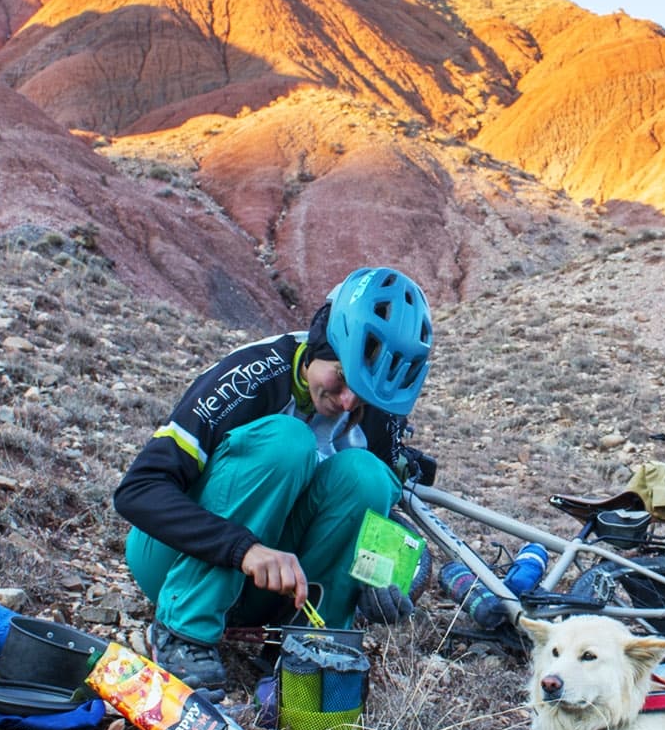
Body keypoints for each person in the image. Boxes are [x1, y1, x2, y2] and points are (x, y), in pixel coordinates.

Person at [113, 267, 435, 695]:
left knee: (367, 475)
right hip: (172, 562)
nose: (346, 402)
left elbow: (381, 518)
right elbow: (138, 492)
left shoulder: (374, 409)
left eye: (364, 393)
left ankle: (307, 650)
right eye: (341, 377)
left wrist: (386, 576)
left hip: (276, 587)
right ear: (321, 342)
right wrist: (243, 549)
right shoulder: (254, 374)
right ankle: (183, 632)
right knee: (288, 443)